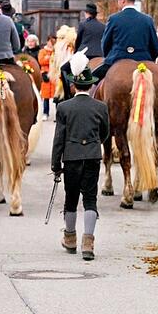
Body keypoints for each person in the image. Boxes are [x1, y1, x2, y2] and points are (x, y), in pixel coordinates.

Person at [51, 65, 110, 261]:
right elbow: (105, 133)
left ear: (74, 86)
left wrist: (55, 164)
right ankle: (88, 242)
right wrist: (93, 145)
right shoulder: (101, 107)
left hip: (71, 158)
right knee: (90, 199)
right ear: (91, 86)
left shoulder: (64, 107)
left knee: (71, 198)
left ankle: (70, 238)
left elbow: (59, 138)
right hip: (92, 156)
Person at [67, 0, 158, 102]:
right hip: (143, 60)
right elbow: (154, 46)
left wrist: (108, 56)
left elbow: (105, 43)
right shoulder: (147, 19)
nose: (118, 2)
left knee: (92, 80)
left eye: (119, 0)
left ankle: (92, 107)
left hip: (117, 59)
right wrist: (150, 59)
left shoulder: (114, 19)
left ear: (123, 0)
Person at [38, 35, 56, 120]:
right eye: (50, 41)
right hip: (45, 74)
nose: (51, 44)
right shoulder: (42, 51)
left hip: (54, 74)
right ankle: (45, 112)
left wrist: (48, 59)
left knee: (56, 95)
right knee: (45, 95)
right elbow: (41, 61)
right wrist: (49, 60)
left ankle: (57, 113)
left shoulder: (56, 51)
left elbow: (56, 61)